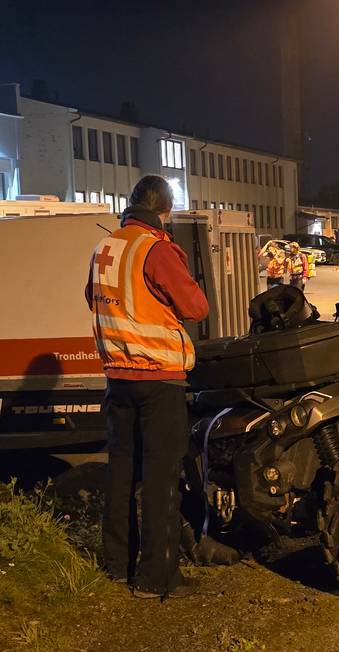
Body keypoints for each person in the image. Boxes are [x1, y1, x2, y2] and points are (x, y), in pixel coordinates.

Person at [85, 175, 209, 600]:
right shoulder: (155, 248)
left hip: (117, 377)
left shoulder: (105, 248)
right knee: (161, 479)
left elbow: (94, 298)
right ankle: (157, 576)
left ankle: (117, 564)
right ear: (165, 212)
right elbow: (196, 306)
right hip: (158, 379)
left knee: (121, 472)